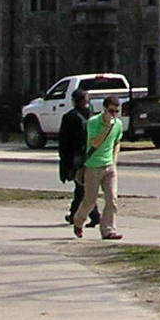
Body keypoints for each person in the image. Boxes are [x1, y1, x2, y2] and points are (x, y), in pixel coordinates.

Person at [72, 94, 124, 240]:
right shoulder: (93, 122)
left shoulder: (118, 124)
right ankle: (78, 221)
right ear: (104, 109)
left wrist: (114, 160)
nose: (113, 115)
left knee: (112, 199)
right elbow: (95, 143)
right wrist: (107, 127)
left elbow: (117, 141)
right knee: (90, 200)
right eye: (111, 111)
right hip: (93, 166)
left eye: (116, 112)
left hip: (109, 167)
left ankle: (108, 230)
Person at [57, 89, 99, 229]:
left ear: (74, 101)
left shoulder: (69, 117)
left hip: (78, 157)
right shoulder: (95, 116)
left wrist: (65, 162)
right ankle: (78, 214)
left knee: (82, 186)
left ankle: (91, 215)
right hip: (94, 155)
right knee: (84, 186)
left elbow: (64, 142)